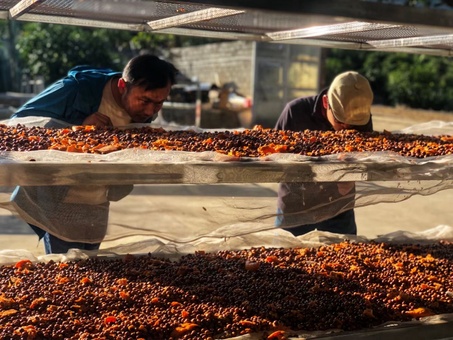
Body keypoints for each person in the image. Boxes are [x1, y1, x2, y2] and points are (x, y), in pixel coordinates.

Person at [10, 54, 179, 254]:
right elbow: (19, 125)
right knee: (69, 271)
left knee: (90, 266)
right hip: (59, 200)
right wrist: (78, 128)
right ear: (123, 86)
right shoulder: (77, 89)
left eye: (159, 103)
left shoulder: (147, 110)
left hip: (98, 201)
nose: (151, 110)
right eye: (144, 100)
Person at [274, 71, 374, 236]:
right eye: (341, 122)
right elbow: (272, 155)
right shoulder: (295, 112)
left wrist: (352, 176)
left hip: (338, 207)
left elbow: (365, 155)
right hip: (295, 206)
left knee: (344, 256)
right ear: (326, 102)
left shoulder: (361, 118)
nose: (346, 130)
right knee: (288, 257)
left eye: (354, 126)